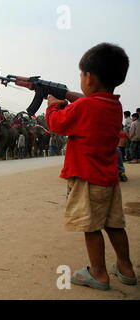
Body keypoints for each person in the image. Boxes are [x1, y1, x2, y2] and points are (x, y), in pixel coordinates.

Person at [46, 43, 137, 291]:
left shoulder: (85, 106)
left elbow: (57, 124)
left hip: (86, 178)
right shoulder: (114, 106)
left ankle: (98, 274)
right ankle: (126, 269)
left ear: (89, 77)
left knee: (90, 226)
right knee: (114, 224)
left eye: (81, 74)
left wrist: (53, 103)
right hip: (108, 179)